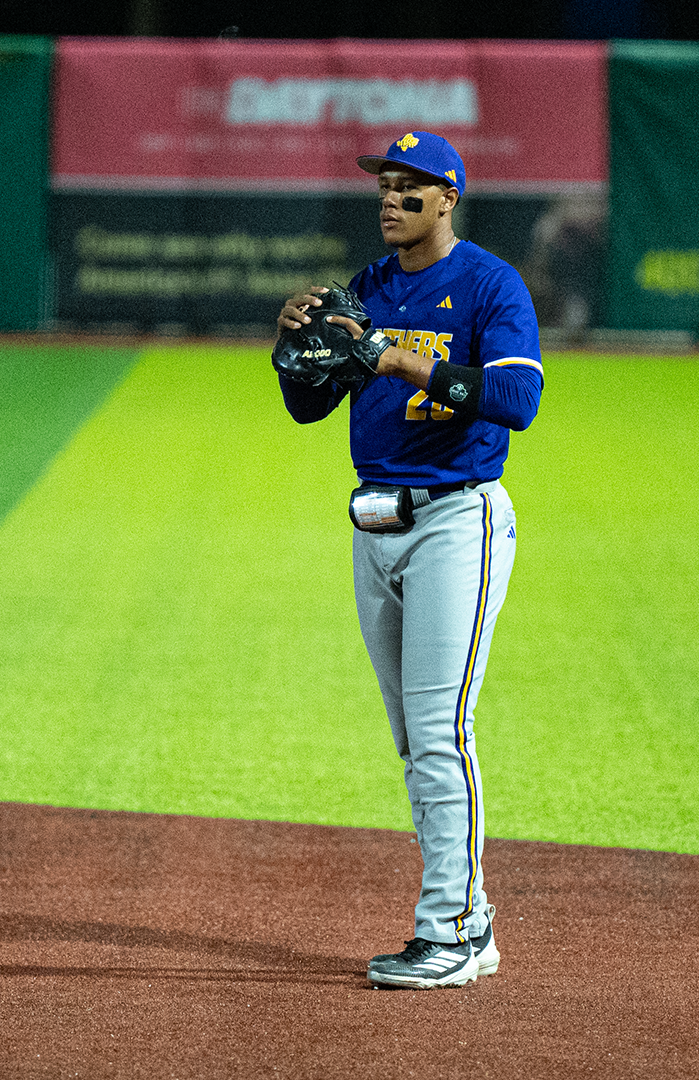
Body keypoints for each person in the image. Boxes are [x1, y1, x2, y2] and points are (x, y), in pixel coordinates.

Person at [275, 130, 544, 990]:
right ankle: (466, 917)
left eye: (409, 186)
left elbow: (516, 399)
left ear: (448, 197)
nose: (390, 199)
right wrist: (293, 354)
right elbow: (310, 409)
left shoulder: (489, 284)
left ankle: (455, 930)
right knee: (414, 739)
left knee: (439, 733)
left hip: (456, 523)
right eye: (384, 186)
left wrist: (396, 356)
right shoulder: (369, 284)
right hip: (376, 528)